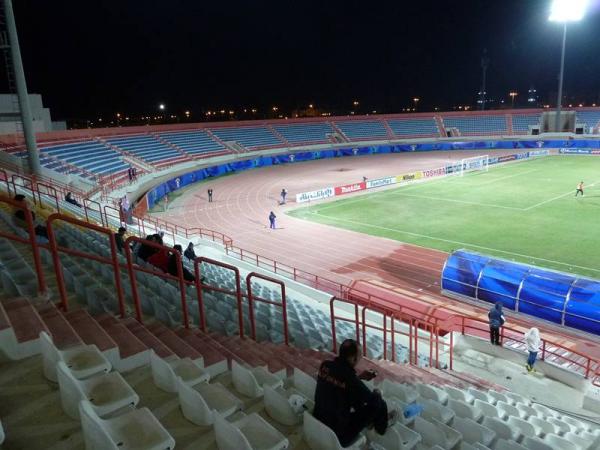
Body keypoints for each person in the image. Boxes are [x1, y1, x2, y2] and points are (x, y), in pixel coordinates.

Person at [313, 339, 397, 447]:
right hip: (339, 434)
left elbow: (339, 383)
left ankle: (375, 422)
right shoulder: (350, 378)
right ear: (353, 359)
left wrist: (359, 378)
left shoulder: (325, 365)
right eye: (360, 356)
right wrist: (377, 393)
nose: (360, 359)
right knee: (379, 402)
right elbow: (371, 399)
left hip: (318, 419)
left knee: (357, 400)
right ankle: (381, 428)